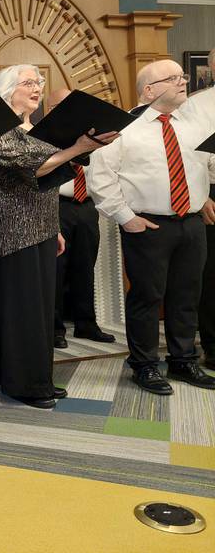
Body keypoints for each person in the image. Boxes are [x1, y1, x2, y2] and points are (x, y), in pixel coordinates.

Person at [0, 65, 118, 409]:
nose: (37, 87)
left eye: (39, 82)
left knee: (41, 306)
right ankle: (24, 384)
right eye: (28, 82)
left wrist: (54, 226)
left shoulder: (33, 128)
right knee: (23, 305)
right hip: (13, 222)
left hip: (40, 220)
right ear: (8, 89)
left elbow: (48, 182)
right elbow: (35, 168)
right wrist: (80, 147)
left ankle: (37, 377)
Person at [88, 59, 215, 394]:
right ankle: (144, 366)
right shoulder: (121, 128)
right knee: (147, 297)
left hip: (192, 223)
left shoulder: (192, 123)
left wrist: (204, 198)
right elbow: (101, 179)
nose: (183, 81)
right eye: (173, 78)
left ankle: (183, 360)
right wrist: (126, 218)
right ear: (148, 90)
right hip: (147, 225)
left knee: (187, 296)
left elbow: (203, 165)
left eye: (183, 76)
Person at [45, 88, 115, 349]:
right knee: (56, 269)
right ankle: (54, 329)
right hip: (56, 204)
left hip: (86, 206)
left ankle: (86, 323)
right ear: (50, 108)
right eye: (60, 105)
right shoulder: (44, 135)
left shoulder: (92, 133)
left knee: (85, 266)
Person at [185, 47, 215, 371]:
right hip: (211, 190)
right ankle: (213, 346)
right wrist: (202, 196)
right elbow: (188, 156)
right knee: (212, 276)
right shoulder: (196, 104)